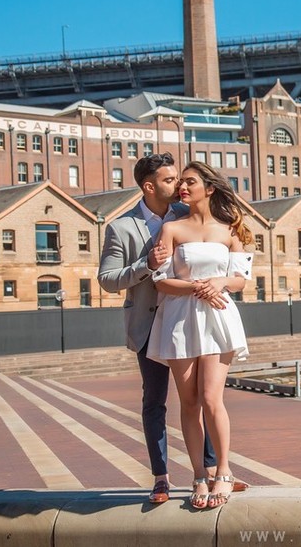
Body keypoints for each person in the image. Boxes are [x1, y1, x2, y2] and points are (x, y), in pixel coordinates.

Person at [98, 152, 227, 504]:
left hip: (189, 322)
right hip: (148, 323)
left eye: (183, 179)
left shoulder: (190, 217)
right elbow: (107, 280)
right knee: (154, 401)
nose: (180, 185)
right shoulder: (120, 228)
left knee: (204, 397)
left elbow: (225, 250)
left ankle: (212, 471)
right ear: (149, 186)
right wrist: (144, 264)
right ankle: (161, 478)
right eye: (171, 180)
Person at [147, 161, 253, 510]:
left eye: (190, 182)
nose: (182, 187)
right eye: (181, 182)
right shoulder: (171, 228)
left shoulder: (230, 230)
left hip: (218, 317)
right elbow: (160, 280)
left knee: (211, 398)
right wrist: (196, 287)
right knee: (189, 402)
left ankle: (223, 471)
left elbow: (239, 280)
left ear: (209, 188)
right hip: (179, 318)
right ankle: (198, 475)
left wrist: (219, 282)